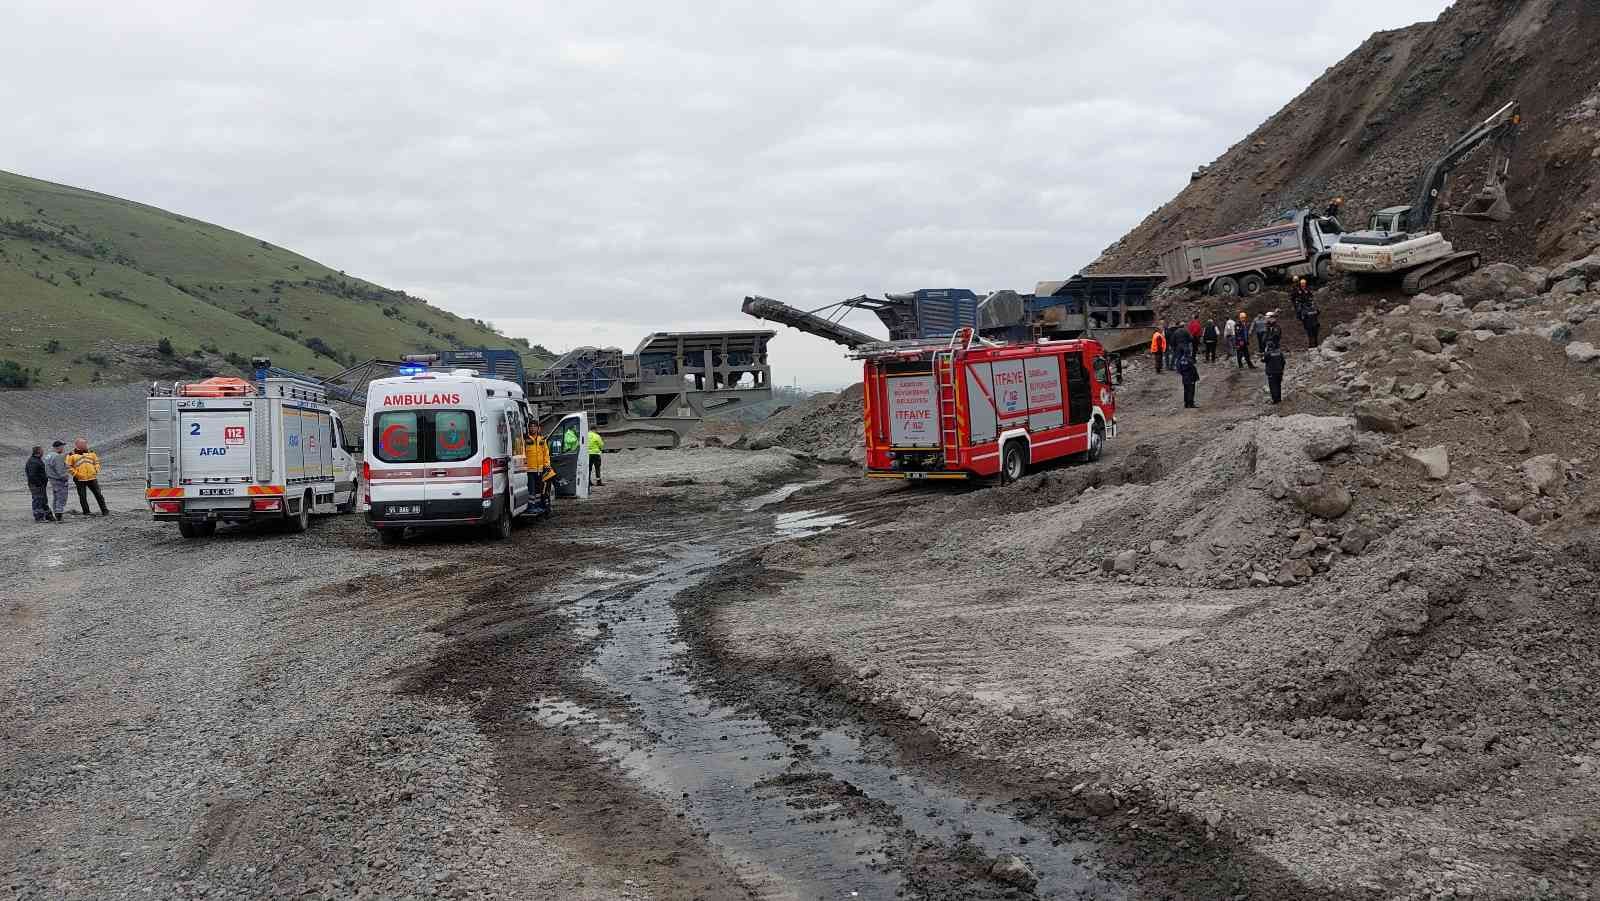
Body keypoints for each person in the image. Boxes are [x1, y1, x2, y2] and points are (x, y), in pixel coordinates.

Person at [66, 438, 108, 516]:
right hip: (79, 479)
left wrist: (96, 470)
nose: (86, 445)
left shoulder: (91, 452)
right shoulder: (71, 455)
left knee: (99, 495)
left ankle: (105, 511)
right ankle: (86, 512)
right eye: (84, 444)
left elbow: (96, 462)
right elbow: (68, 467)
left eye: (85, 443)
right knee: (83, 497)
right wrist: (77, 474)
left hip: (92, 478)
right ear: (78, 445)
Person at [524, 426, 554, 509]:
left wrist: (547, 465)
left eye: (534, 427)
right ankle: (531, 506)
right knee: (531, 490)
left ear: (538, 428)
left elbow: (546, 454)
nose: (532, 428)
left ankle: (537, 506)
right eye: (531, 427)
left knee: (538, 490)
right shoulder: (526, 440)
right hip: (529, 470)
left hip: (540, 470)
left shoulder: (542, 440)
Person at [1263, 312, 1287, 404]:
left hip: (1274, 349)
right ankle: (1277, 399)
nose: (1267, 320)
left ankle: (1276, 399)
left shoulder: (1276, 327)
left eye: (1268, 318)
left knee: (1274, 383)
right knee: (1276, 382)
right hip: (1272, 350)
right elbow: (1264, 338)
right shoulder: (1269, 328)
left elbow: (1275, 337)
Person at [43, 440, 70, 521]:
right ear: (59, 447)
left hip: (52, 479)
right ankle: (59, 515)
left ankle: (56, 513)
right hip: (59, 480)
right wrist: (65, 478)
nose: (63, 448)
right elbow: (60, 470)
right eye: (62, 446)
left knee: (56, 497)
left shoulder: (49, 455)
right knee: (61, 497)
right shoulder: (58, 456)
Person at [26, 446, 52, 522]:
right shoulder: (33, 461)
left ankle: (48, 516)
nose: (43, 452)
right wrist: (39, 483)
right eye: (42, 451)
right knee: (37, 500)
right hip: (36, 485)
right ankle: (39, 517)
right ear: (38, 452)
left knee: (43, 500)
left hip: (40, 485)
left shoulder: (36, 460)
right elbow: (32, 475)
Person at [1177, 344, 1200, 409]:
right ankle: (1191, 403)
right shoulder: (1190, 360)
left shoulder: (1181, 360)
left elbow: (1179, 369)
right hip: (1190, 378)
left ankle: (1186, 403)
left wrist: (1183, 374)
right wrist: (1195, 378)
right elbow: (1193, 370)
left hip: (1184, 377)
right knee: (1191, 391)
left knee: (1186, 390)